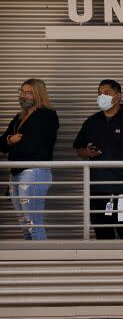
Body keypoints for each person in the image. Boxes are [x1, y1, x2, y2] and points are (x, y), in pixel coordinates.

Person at [73, 80, 123, 240]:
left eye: (107, 93)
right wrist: (86, 152)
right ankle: (106, 263)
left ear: (118, 96)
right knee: (101, 231)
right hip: (96, 188)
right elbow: (79, 150)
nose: (102, 96)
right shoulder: (92, 121)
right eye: (99, 93)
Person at [0, 79, 59, 240]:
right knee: (25, 226)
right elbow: (2, 144)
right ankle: (31, 261)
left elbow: (30, 147)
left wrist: (11, 145)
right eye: (22, 92)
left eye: (29, 93)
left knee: (33, 223)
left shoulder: (46, 116)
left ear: (38, 94)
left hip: (34, 172)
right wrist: (11, 140)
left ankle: (42, 262)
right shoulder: (20, 117)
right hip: (16, 173)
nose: (24, 96)